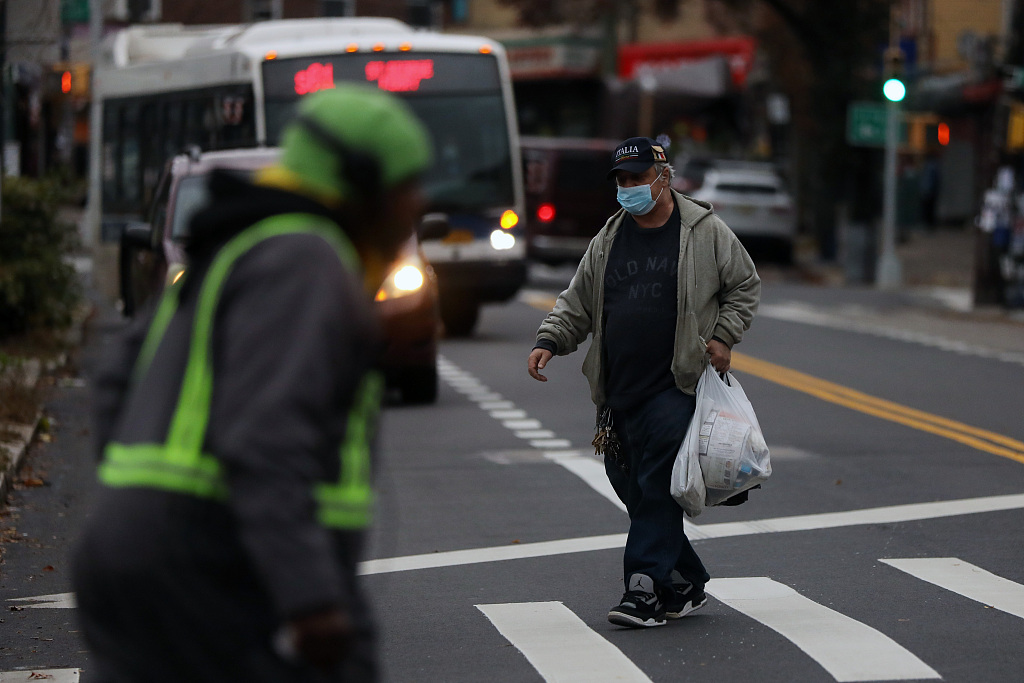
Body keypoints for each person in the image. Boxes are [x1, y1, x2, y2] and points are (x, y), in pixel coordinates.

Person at [71, 84, 432, 681]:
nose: (417, 202)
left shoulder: (234, 245)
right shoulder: (305, 261)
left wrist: (136, 504)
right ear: (360, 182)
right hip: (209, 564)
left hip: (138, 557)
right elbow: (268, 438)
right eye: (405, 185)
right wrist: (311, 598)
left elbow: (117, 378)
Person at [527, 137, 760, 628]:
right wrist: (550, 339)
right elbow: (579, 302)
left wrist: (723, 336)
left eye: (637, 178)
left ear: (663, 176)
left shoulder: (704, 231)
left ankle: (644, 590)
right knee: (631, 485)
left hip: (676, 385)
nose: (629, 188)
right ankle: (684, 580)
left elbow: (744, 285)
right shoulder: (608, 238)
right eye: (622, 181)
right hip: (618, 391)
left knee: (655, 483)